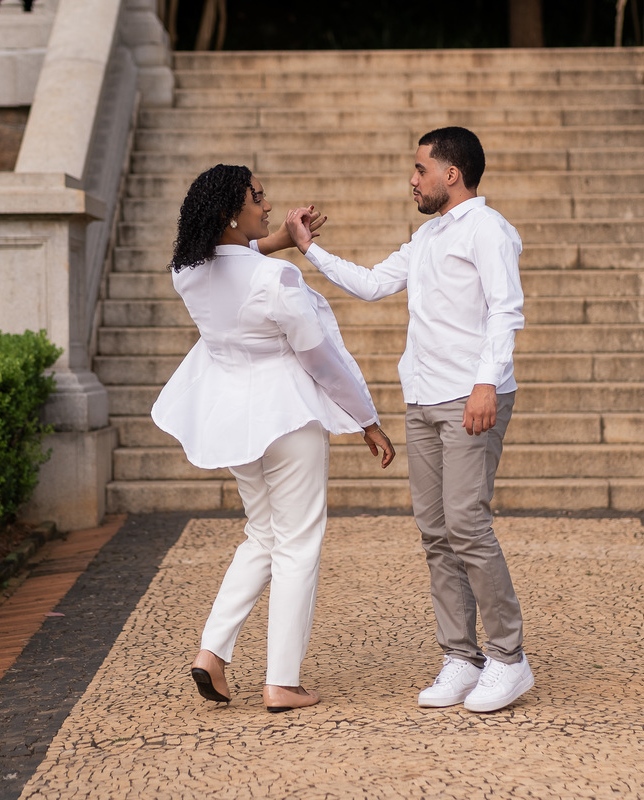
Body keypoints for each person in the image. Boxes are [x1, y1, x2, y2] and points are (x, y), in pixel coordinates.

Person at [285, 127, 532, 713]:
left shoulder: (487, 229)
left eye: (421, 169)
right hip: (422, 398)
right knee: (436, 532)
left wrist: (486, 383)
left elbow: (506, 310)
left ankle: (509, 658)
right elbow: (372, 284)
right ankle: (461, 657)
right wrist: (308, 249)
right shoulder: (426, 236)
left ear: (452, 174)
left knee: (467, 525)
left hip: (471, 396)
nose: (413, 179)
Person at [152, 164, 395, 713]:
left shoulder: (187, 272)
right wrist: (366, 417)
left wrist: (283, 236)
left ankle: (213, 652)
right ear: (229, 213)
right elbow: (320, 359)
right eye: (257, 198)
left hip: (234, 421)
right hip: (287, 418)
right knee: (298, 543)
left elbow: (234, 259)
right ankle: (282, 681)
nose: (266, 206)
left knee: (262, 534)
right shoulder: (276, 280)